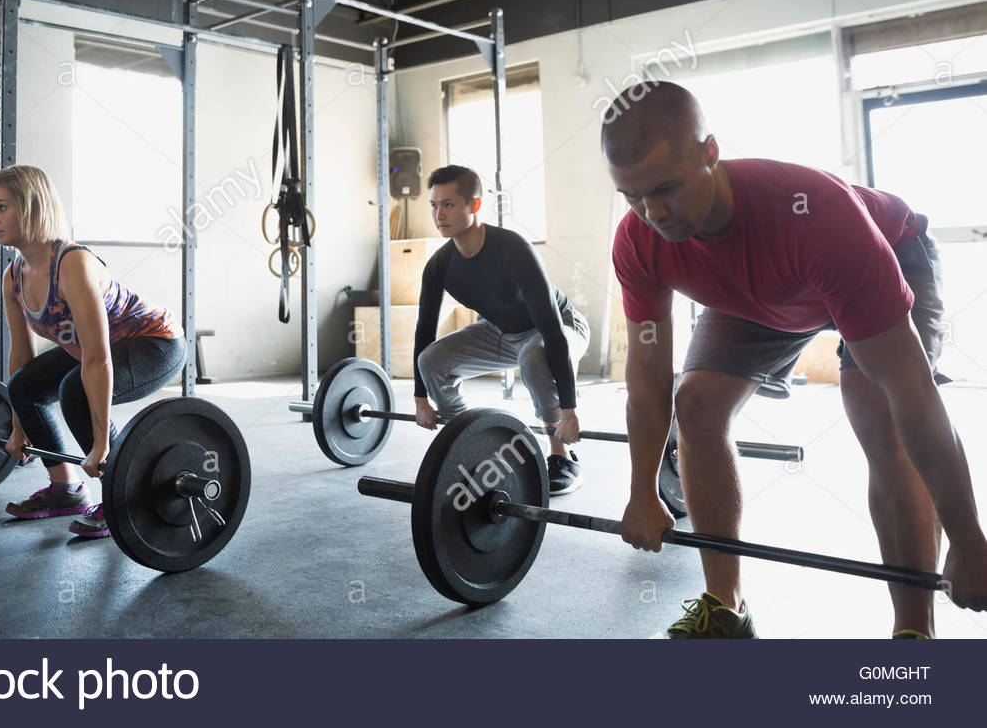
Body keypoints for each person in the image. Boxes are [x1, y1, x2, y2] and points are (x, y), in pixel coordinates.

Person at [601, 80, 987, 637]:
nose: (651, 211)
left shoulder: (816, 215)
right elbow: (647, 375)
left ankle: (913, 631)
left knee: (875, 407)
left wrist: (970, 540)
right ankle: (725, 609)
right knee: (698, 403)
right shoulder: (639, 239)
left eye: (665, 187)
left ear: (710, 152)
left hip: (882, 254)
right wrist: (641, 491)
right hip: (754, 290)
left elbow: (912, 390)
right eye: (632, 195)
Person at [0, 165, 184, 539]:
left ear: (30, 207)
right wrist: (19, 427)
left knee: (75, 391)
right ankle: (67, 490)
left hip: (154, 341)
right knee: (25, 385)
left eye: (1, 208)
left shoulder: (72, 264)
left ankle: (120, 496)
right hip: (99, 347)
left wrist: (101, 445)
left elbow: (96, 359)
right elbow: (21, 358)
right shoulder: (14, 276)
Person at [412, 165, 590, 494]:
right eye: (434, 205)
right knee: (431, 360)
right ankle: (469, 441)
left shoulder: (512, 249)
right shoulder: (439, 265)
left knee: (534, 357)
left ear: (475, 205)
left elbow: (550, 329)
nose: (439, 214)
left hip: (559, 326)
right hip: (499, 333)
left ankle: (562, 453)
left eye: (448, 204)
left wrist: (569, 410)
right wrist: (421, 398)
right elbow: (425, 331)